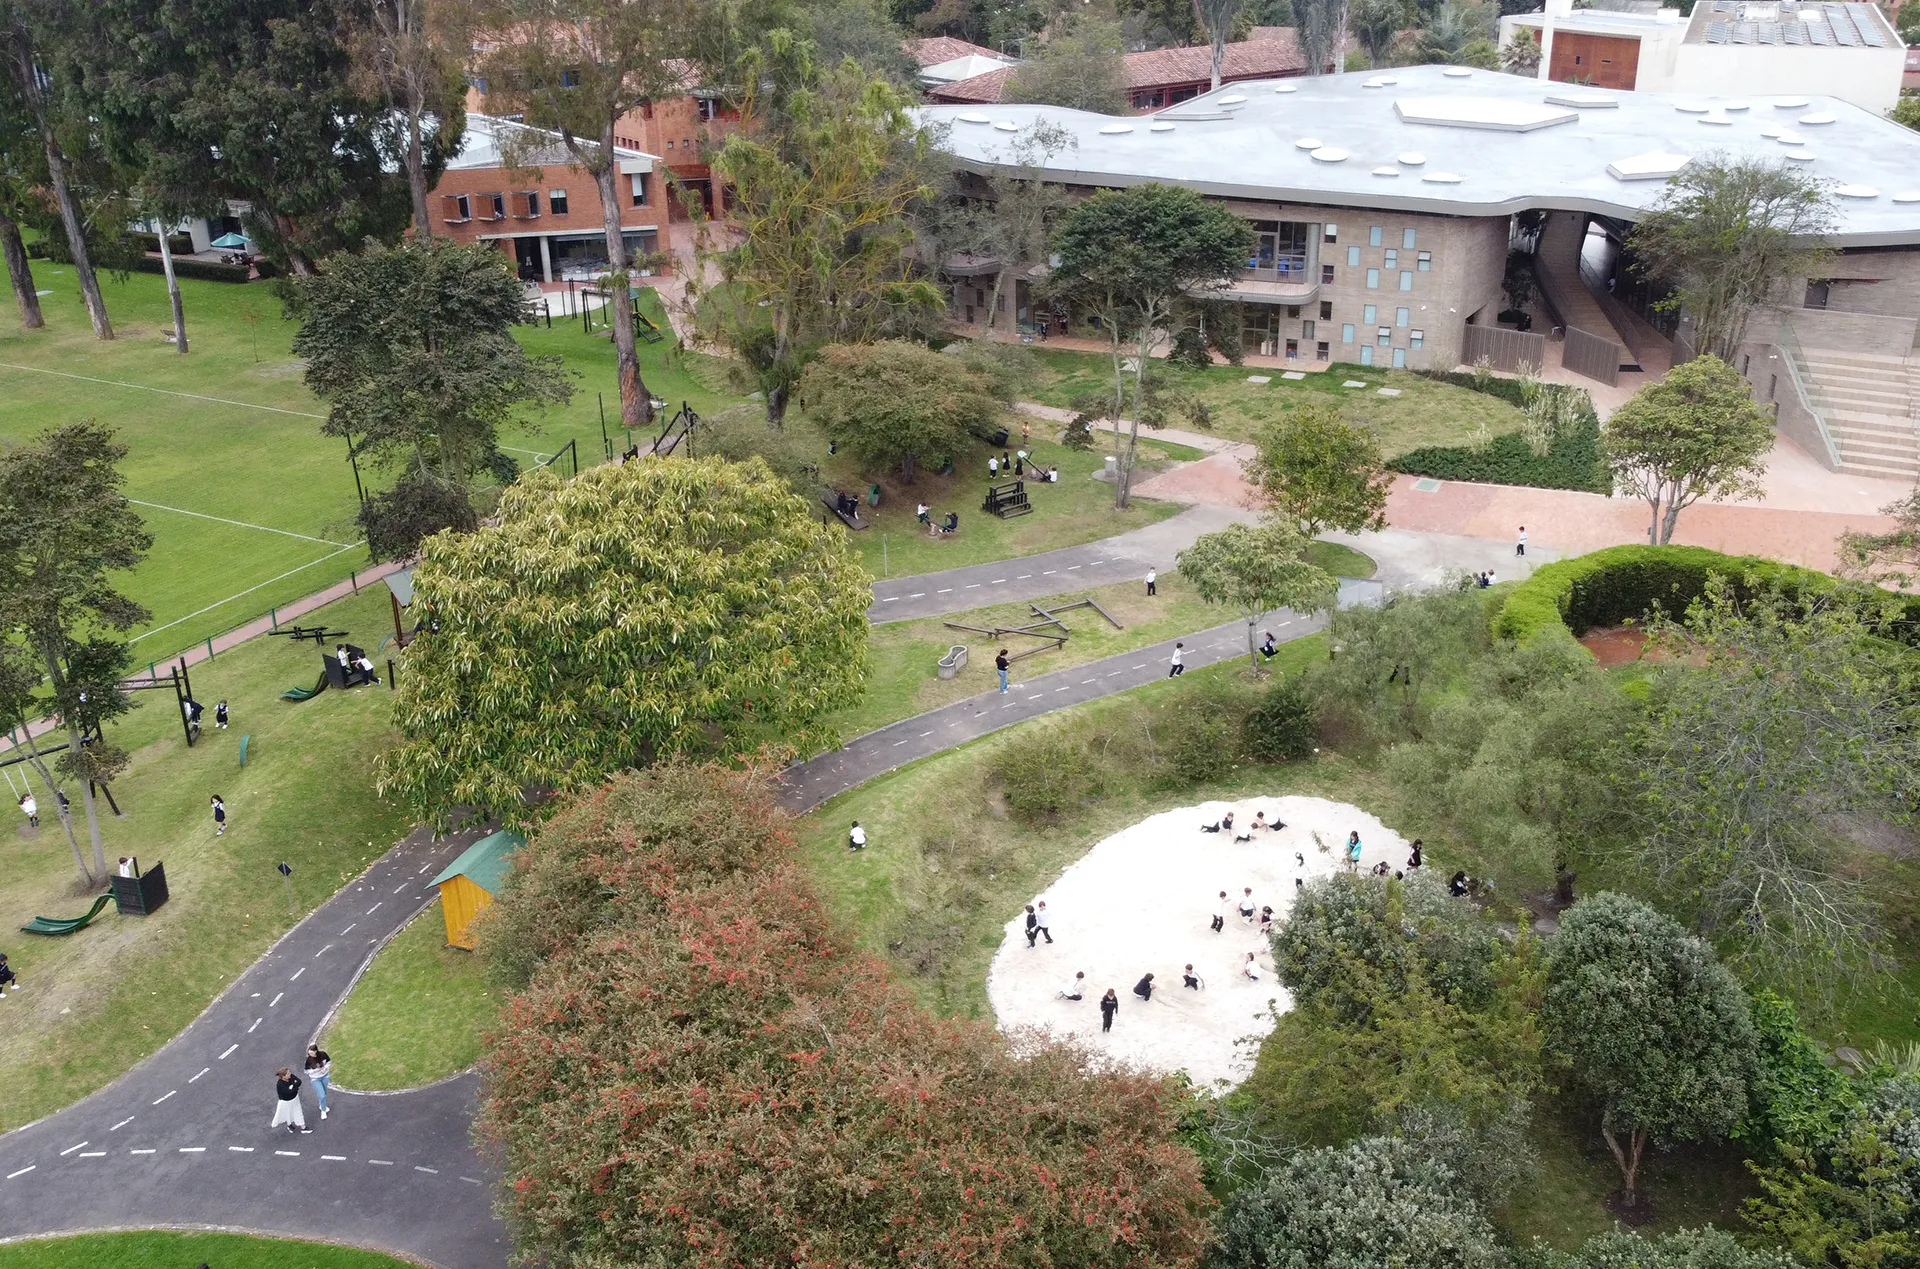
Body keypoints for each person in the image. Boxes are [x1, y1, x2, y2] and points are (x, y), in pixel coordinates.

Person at [271, 1067, 310, 1134]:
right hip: (286, 1102)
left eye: (289, 1072)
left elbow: (299, 1081)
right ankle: (289, 1125)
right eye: (288, 1074)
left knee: (298, 1112)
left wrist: (293, 1086)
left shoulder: (291, 1076)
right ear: (283, 1076)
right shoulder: (280, 1084)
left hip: (295, 1099)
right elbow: (289, 1092)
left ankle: (303, 1127)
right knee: (287, 1114)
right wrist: (295, 1086)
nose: (290, 1074)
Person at [305, 1044, 332, 1120]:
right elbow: (306, 1071)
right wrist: (314, 1071)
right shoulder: (309, 1060)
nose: (310, 1055)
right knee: (322, 1095)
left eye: (311, 1053)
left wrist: (325, 1068)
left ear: (316, 1051)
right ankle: (323, 1111)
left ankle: (321, 1105)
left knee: (324, 1093)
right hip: (315, 1079)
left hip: (324, 1076)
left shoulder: (323, 1054)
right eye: (309, 1053)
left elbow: (329, 1062)